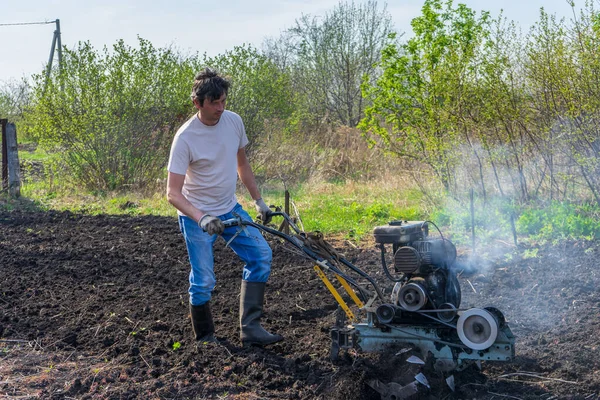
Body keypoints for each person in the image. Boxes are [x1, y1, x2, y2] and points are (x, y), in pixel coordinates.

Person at [166, 68, 283, 347]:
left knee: (261, 256)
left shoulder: (233, 122)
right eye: (214, 103)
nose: (220, 108)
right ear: (198, 103)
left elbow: (242, 164)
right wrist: (201, 217)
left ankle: (250, 328)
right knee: (204, 278)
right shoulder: (185, 138)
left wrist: (259, 201)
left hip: (230, 208)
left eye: (223, 101)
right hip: (196, 216)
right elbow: (172, 193)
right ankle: (206, 339)